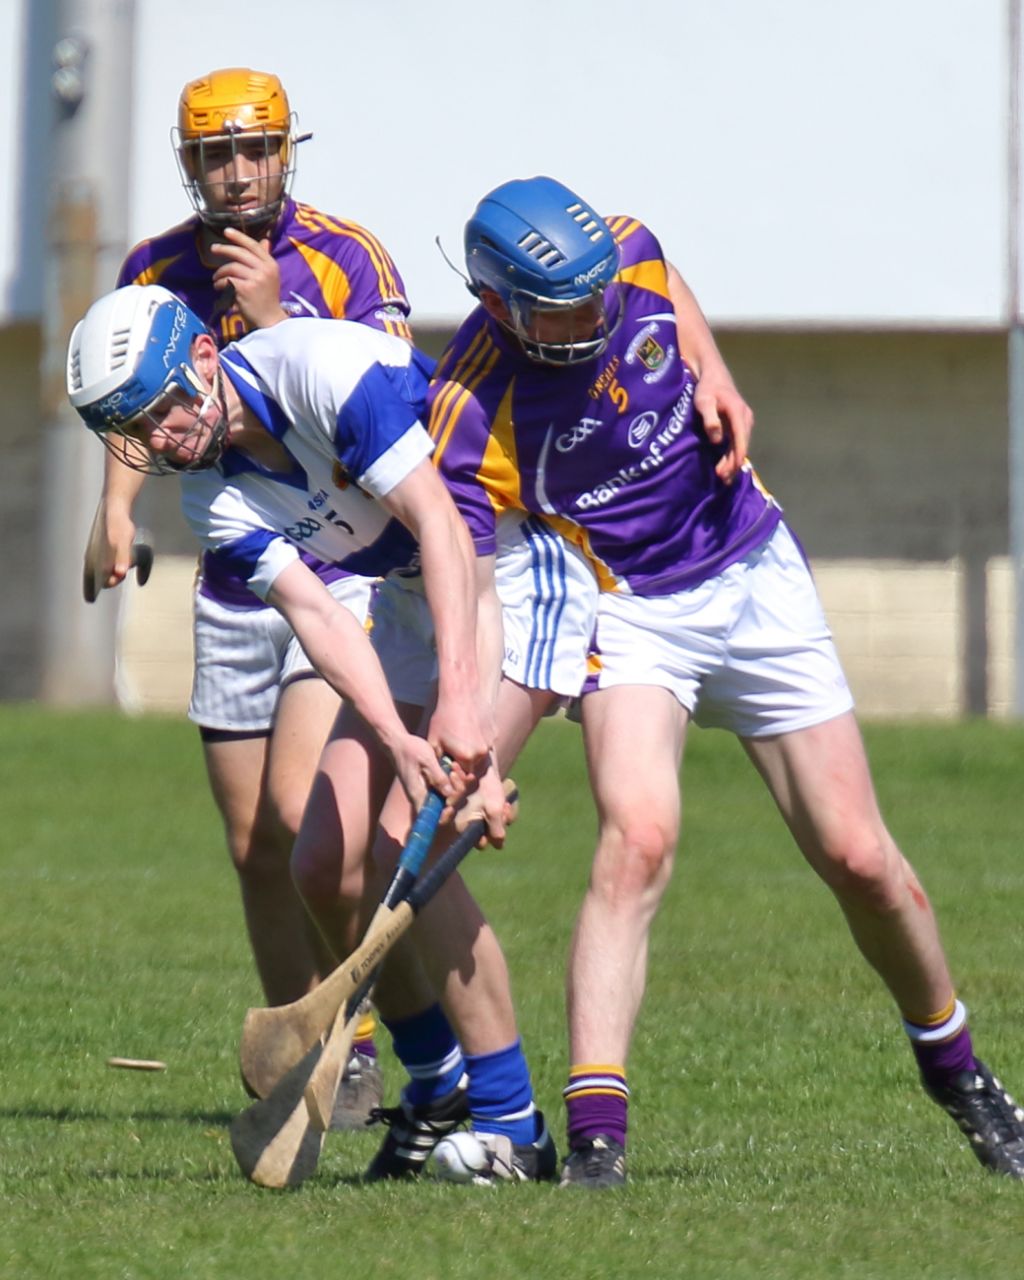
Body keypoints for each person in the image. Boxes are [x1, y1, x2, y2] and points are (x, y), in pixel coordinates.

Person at [424, 174, 1024, 1189]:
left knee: (860, 855)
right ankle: (597, 1141)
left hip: (751, 567)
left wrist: (717, 374)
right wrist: (465, 718)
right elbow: (474, 585)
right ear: (499, 304)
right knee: (639, 834)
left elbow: (668, 289)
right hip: (629, 610)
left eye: (598, 296)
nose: (593, 317)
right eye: (562, 309)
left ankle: (957, 1070)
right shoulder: (471, 409)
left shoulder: (627, 255)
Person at [88, 67, 415, 1121]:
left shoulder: (346, 254)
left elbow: (389, 394)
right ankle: (312, 1050)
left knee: (295, 806)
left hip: (332, 568)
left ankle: (363, 1034)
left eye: (255, 149)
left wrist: (278, 314)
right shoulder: (155, 266)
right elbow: (137, 400)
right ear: (190, 165)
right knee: (252, 845)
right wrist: (117, 508)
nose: (237, 173)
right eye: (214, 155)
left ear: (285, 151)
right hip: (233, 575)